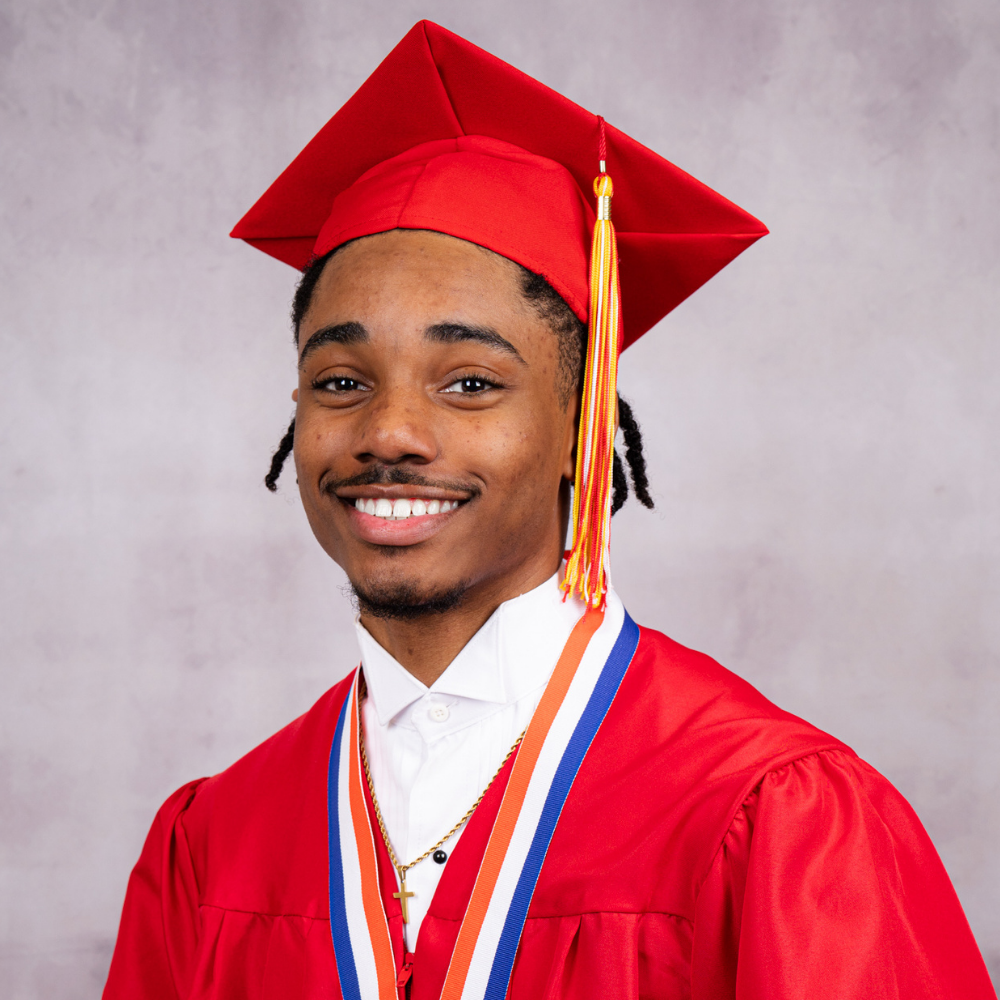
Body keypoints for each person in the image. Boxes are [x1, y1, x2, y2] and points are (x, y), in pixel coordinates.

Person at [103, 20, 996, 1000]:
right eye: (341, 380)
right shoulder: (214, 841)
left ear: (582, 423)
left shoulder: (767, 813)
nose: (389, 432)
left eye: (472, 382)